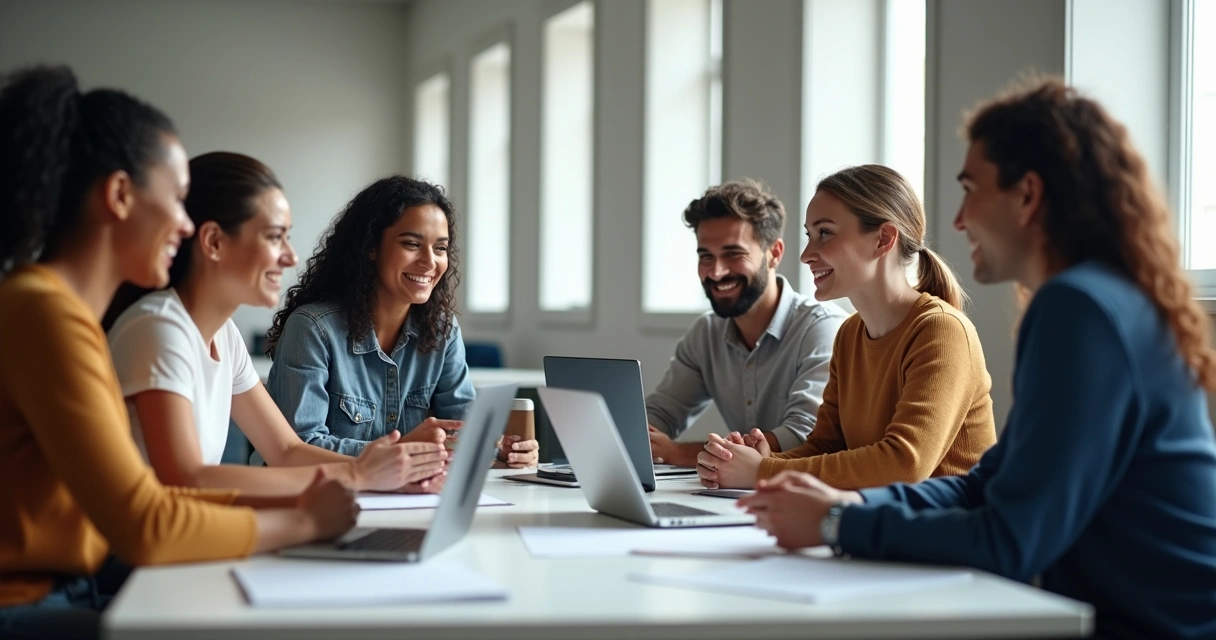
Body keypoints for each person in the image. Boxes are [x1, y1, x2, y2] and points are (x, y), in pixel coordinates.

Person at [739, 78, 1216, 639]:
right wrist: (834, 503)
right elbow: (984, 482)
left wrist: (840, 521)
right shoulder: (1087, 300)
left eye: (971, 189)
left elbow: (1010, 539)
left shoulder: (1078, 309)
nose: (959, 219)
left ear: (1028, 195)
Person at [0, 66, 355, 640]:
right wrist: (302, 521)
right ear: (119, 195)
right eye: (178, 200)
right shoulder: (46, 315)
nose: (186, 224)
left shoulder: (61, 314)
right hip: (28, 605)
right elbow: (149, 523)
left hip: (62, 590)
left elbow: (150, 504)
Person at [106, 152, 448, 498]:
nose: (290, 256)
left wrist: (382, 473)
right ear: (213, 242)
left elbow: (286, 451)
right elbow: (188, 480)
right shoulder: (160, 327)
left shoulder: (223, 335)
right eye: (273, 237)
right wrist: (357, 475)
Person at [697, 166, 997, 490]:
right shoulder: (850, 334)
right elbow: (827, 446)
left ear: (883, 239)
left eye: (824, 233)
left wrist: (762, 472)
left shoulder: (941, 332)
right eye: (809, 235)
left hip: (945, 532)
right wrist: (752, 461)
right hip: (881, 527)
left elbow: (904, 463)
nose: (806, 255)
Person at [263, 175, 538, 468]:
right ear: (371, 247)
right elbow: (300, 446)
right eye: (412, 244)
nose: (430, 262)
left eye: (440, 248)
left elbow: (463, 431)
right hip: (315, 498)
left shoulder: (442, 331)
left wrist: (499, 451)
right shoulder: (312, 329)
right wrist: (401, 451)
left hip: (404, 499)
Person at [645, 180, 847, 468]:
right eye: (706, 256)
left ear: (774, 253)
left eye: (733, 254)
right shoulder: (706, 333)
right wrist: (639, 436)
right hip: (737, 496)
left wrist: (677, 452)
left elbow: (804, 436)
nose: (716, 272)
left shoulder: (822, 328)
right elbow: (661, 413)